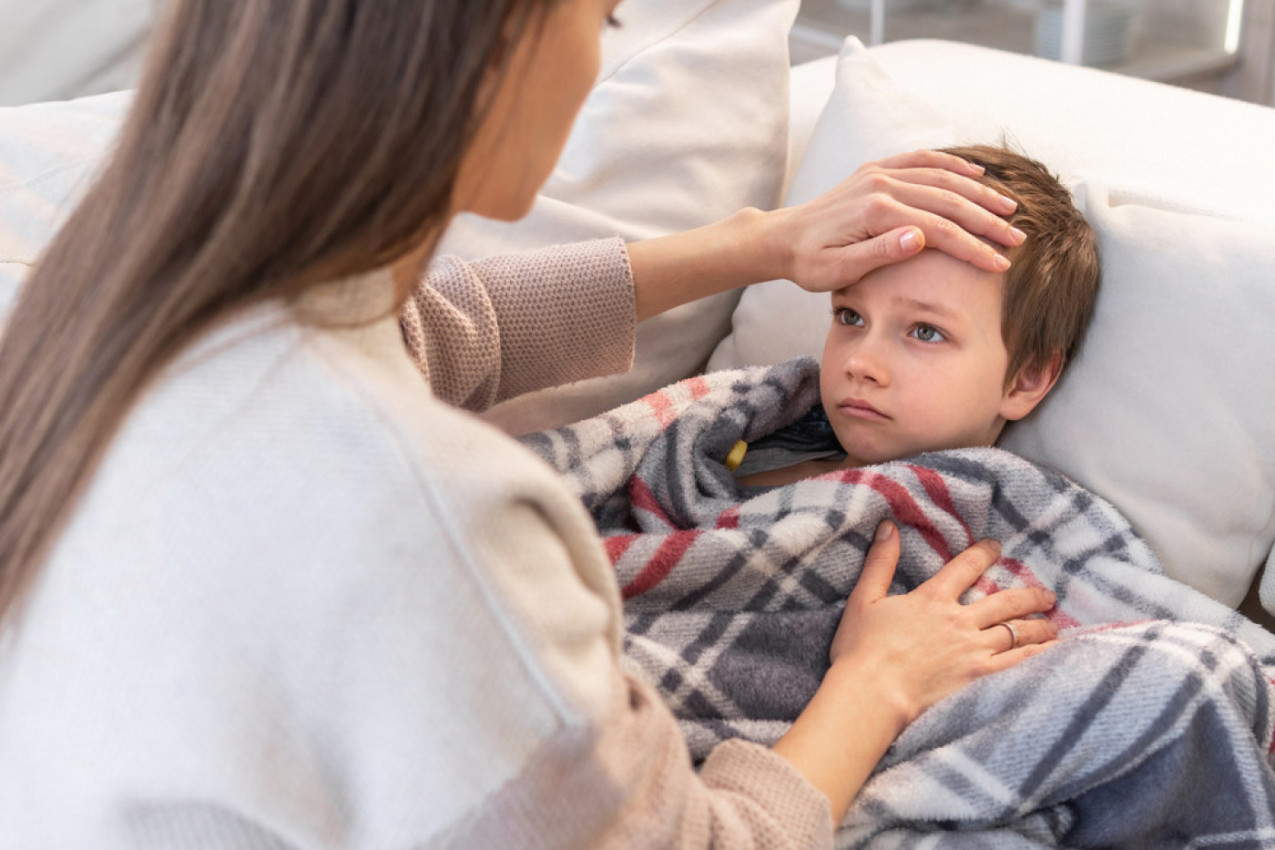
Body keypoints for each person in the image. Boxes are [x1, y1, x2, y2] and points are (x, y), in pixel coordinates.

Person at [0, 2, 1059, 846]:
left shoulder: (109, 305)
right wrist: (875, 681)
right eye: (599, 20)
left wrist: (756, 245)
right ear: (496, 50)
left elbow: (433, 330)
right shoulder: (436, 514)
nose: (600, 61)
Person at [731, 144, 1100, 490]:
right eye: (851, 317)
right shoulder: (740, 445)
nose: (860, 363)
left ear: (1025, 380)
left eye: (925, 332)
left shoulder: (1022, 530)